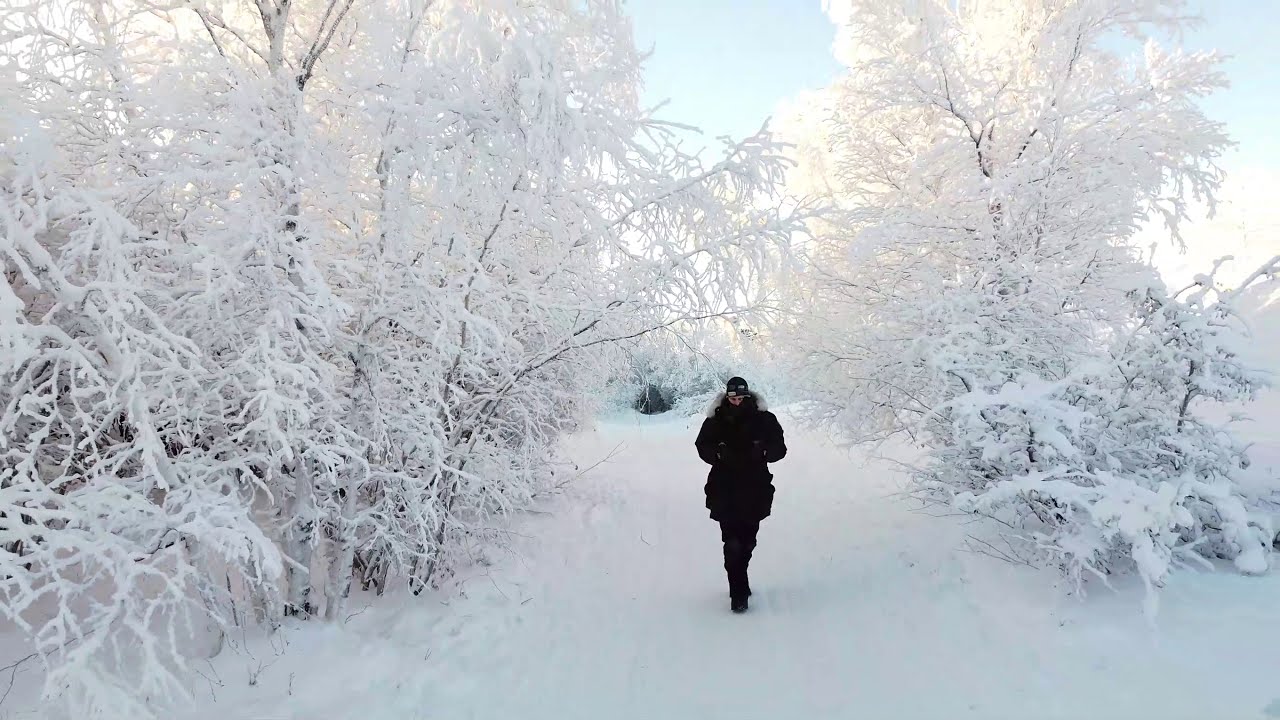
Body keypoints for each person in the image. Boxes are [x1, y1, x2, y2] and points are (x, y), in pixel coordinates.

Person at [695, 376, 786, 613]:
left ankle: (739, 575)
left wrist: (764, 451)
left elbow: (780, 448)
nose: (736, 402)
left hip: (755, 488)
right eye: (733, 398)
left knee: (748, 541)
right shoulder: (715, 420)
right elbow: (702, 445)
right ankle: (738, 591)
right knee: (731, 542)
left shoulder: (764, 419)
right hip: (724, 488)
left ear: (747, 396)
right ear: (727, 397)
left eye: (740, 398)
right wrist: (717, 455)